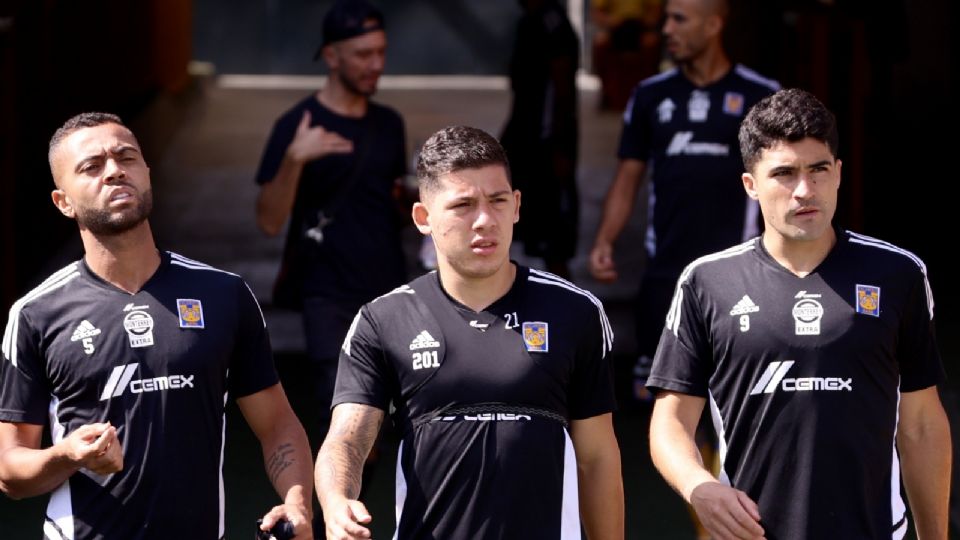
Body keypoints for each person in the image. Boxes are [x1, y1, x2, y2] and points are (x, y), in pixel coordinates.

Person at [647, 88, 951, 540]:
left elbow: (923, 425)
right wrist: (699, 487)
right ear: (750, 184)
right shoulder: (706, 282)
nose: (805, 190)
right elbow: (670, 422)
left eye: (818, 170)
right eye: (785, 174)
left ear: (839, 173)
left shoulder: (898, 274)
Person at [0, 112, 314, 539]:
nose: (114, 171)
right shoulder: (36, 314)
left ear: (147, 173)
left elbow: (277, 425)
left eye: (126, 157)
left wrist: (297, 505)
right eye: (92, 166)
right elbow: (11, 472)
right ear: (63, 202)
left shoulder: (225, 295)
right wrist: (70, 455)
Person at [316, 126, 624, 539]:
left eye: (497, 201)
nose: (484, 220)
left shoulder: (575, 311)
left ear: (516, 206)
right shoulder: (384, 319)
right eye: (463, 205)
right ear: (423, 218)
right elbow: (348, 440)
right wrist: (336, 501)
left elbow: (598, 457)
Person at [588, 0, 780, 402]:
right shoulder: (650, 95)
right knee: (659, 400)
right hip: (667, 276)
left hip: (741, 274)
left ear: (713, 25)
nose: (667, 31)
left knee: (738, 398)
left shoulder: (760, 96)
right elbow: (628, 178)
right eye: (665, 21)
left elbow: (783, 183)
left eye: (679, 20)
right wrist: (605, 240)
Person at [254, 0, 408, 439]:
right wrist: (295, 160)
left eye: (380, 52)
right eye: (363, 55)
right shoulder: (297, 124)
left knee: (383, 427)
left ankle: (338, 508)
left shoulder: (389, 124)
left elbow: (392, 200)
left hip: (389, 291)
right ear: (331, 55)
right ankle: (329, 508)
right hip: (327, 296)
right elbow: (268, 220)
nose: (375, 65)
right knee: (345, 419)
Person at [500, 0, 580, 279]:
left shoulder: (552, 23)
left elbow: (561, 88)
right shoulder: (528, 21)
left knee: (553, 234)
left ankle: (565, 303)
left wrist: (558, 144)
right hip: (523, 137)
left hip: (546, 144)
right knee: (510, 218)